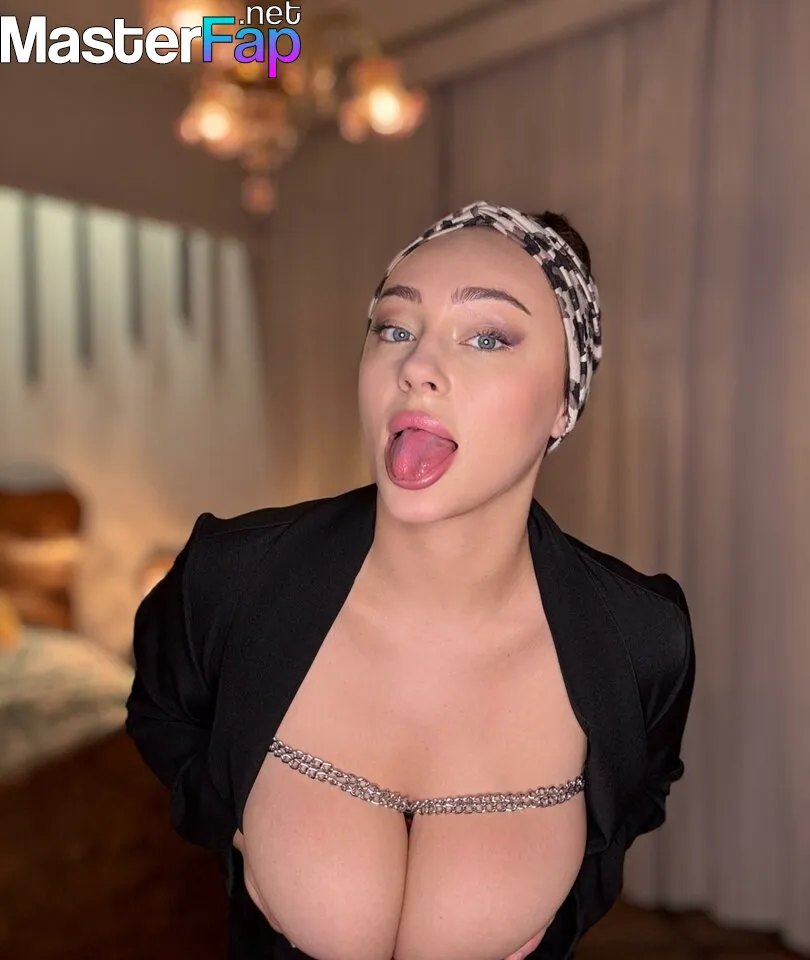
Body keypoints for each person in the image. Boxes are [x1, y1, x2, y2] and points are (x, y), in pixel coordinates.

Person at [126, 201, 696, 960]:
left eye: (487, 337)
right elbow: (162, 717)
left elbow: (637, 795)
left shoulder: (642, 639)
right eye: (395, 328)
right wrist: (235, 831)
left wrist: (561, 911)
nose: (416, 366)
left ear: (565, 402)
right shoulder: (230, 575)